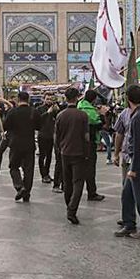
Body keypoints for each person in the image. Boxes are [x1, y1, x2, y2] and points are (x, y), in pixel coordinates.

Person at [115, 86, 140, 240]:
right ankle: (129, 223)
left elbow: (139, 145)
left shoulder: (138, 117)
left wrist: (134, 167)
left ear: (128, 99)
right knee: (127, 194)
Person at [55, 87, 91, 225]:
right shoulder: (82, 115)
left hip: (65, 152)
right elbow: (86, 136)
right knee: (78, 182)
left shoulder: (60, 115)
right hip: (79, 152)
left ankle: (68, 205)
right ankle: (72, 209)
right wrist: (87, 152)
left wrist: (59, 149)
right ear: (77, 98)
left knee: (67, 181)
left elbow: (56, 136)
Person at [3, 91, 39, 202]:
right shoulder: (34, 111)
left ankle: (19, 186)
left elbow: (5, 126)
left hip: (16, 144)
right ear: (28, 100)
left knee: (13, 167)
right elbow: (39, 126)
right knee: (29, 170)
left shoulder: (13, 112)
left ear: (18, 100)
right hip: (29, 144)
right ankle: (26, 193)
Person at [76, 90, 106, 201]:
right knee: (90, 168)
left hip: (77, 143)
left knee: (78, 169)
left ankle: (74, 192)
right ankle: (91, 192)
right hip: (89, 142)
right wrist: (102, 115)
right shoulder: (90, 111)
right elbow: (97, 125)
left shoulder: (79, 106)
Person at [36, 94, 58, 184]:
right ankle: (43, 174)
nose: (49, 100)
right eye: (47, 99)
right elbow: (38, 120)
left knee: (49, 155)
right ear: (43, 99)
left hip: (51, 134)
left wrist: (56, 111)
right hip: (42, 135)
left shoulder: (54, 109)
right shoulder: (39, 109)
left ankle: (47, 173)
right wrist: (47, 113)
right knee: (42, 155)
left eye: (50, 99)